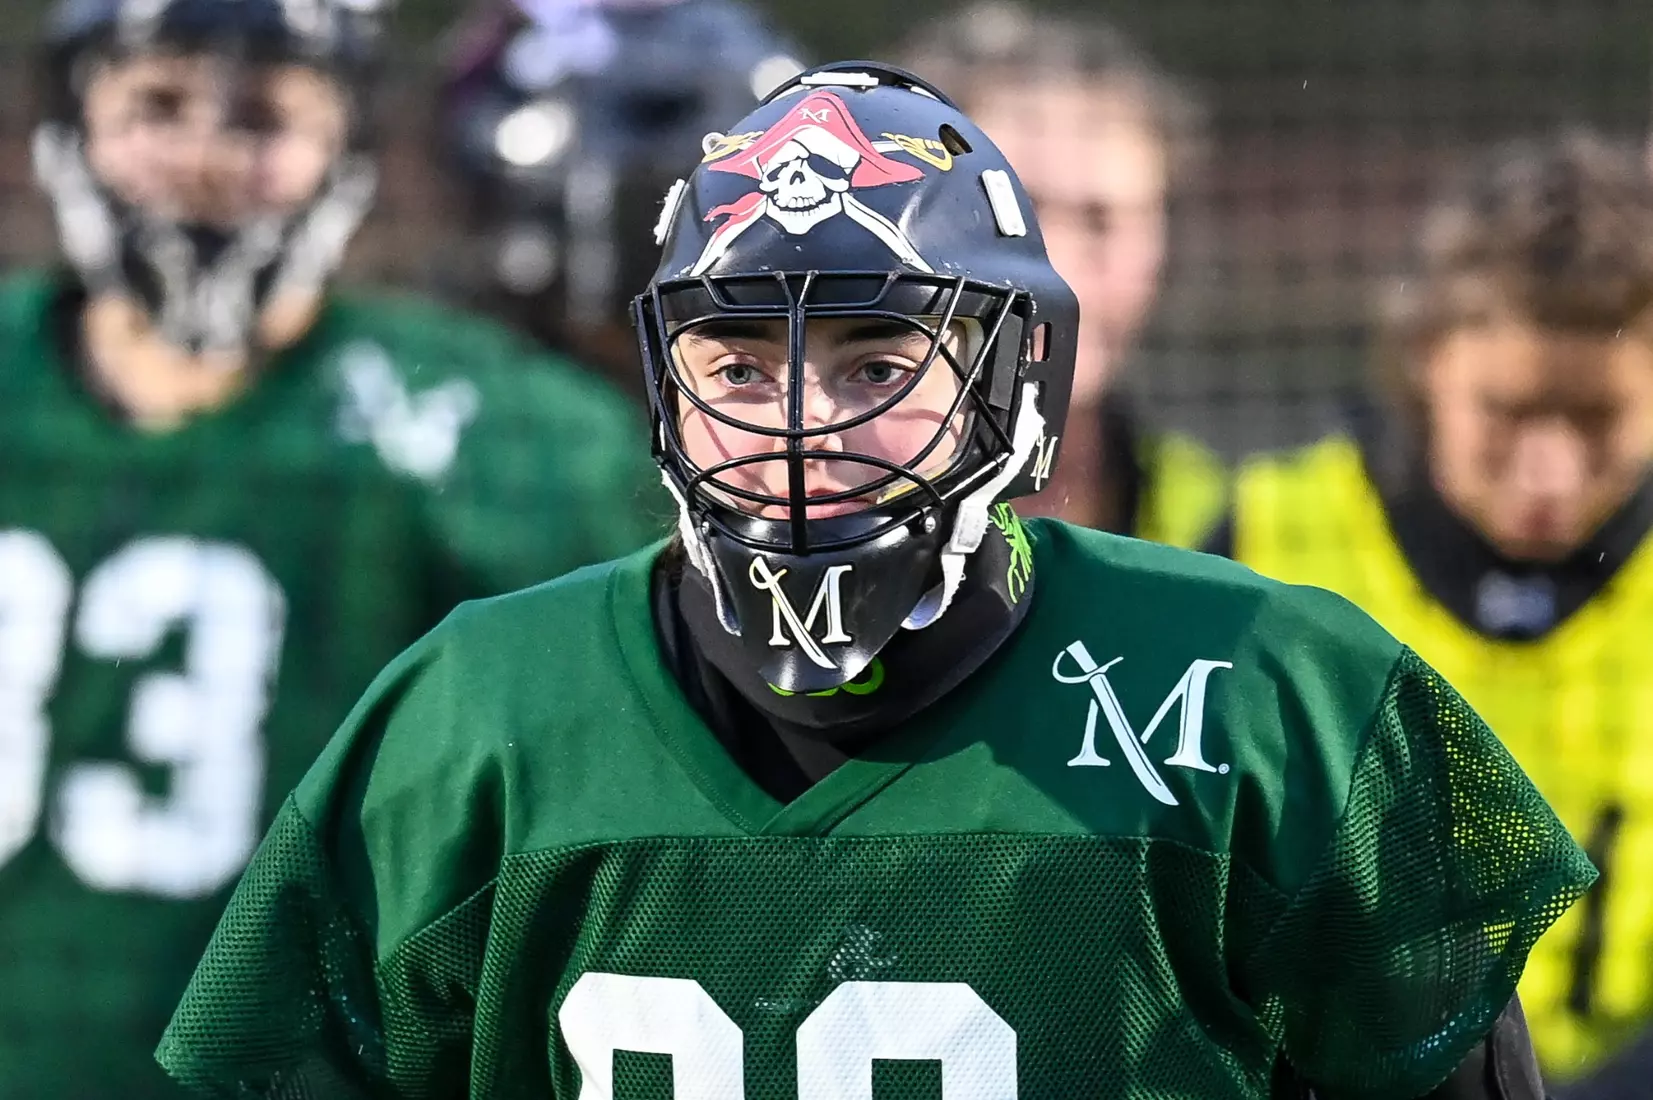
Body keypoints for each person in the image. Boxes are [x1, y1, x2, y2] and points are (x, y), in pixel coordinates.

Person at [157, 62, 1590, 1100]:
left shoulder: (1273, 691)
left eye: (875, 361)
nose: (797, 427)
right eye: (735, 364)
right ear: (661, 385)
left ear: (1012, 376)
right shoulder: (476, 713)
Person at [1, 1, 664, 1095]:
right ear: (71, 117)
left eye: (264, 113)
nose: (208, 157)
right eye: (157, 103)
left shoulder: (496, 432)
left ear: (349, 144)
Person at [1210, 131, 1653, 1090]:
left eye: (1597, 421)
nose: (1549, 472)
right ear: (1423, 360)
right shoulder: (1261, 550)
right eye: (1504, 412)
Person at [901, 1, 1225, 546]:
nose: (1062, 269)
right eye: (1020, 211)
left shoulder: (1220, 520)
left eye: (1102, 221)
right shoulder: (824, 490)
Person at [435, 0, 803, 403]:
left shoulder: (727, 31)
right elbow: (475, 115)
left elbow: (792, 93)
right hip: (562, 274)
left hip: (723, 284)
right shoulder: (547, 33)